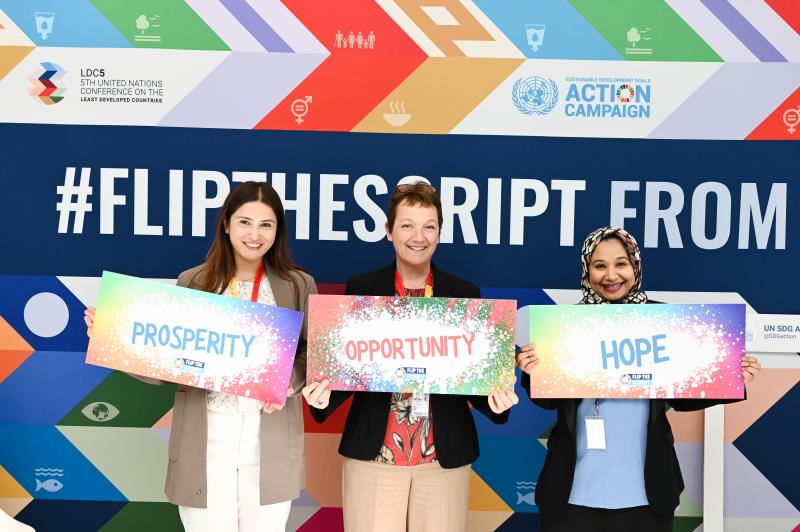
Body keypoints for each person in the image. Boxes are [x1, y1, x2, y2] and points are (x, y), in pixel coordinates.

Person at [84, 182, 317, 532]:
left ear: (277, 231)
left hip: (269, 445)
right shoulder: (194, 282)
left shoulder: (298, 284)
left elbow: (312, 356)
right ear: (226, 224)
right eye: (244, 222)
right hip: (206, 445)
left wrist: (289, 380)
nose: (255, 234)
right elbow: (167, 363)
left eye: (266, 225)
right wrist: (115, 338)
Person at [302, 182, 518, 532]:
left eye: (429, 226)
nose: (418, 236)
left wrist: (497, 400)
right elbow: (349, 368)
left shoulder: (463, 294)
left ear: (439, 233)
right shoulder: (361, 288)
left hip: (442, 457)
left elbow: (476, 379)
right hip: (374, 455)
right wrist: (322, 397)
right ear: (388, 231)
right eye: (407, 225)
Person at [516, 226, 761, 532]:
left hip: (646, 496)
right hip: (572, 495)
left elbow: (680, 397)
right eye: (599, 265)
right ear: (587, 270)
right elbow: (547, 400)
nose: (611, 275)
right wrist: (532, 371)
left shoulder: (664, 323)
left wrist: (732, 378)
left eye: (621, 264)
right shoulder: (564, 327)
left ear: (635, 266)